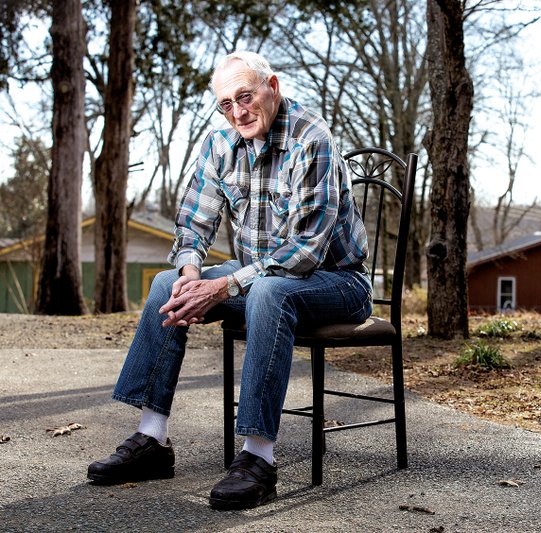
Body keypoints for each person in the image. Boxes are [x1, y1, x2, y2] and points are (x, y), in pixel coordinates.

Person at [87, 51, 371, 511]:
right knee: (166, 284)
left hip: (335, 282)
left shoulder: (311, 137)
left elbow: (304, 252)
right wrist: (192, 274)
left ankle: (258, 458)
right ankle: (152, 439)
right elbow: (193, 226)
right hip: (257, 282)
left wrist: (223, 287)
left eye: (246, 96)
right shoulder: (220, 142)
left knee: (271, 289)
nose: (237, 112)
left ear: (272, 86)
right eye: (226, 103)